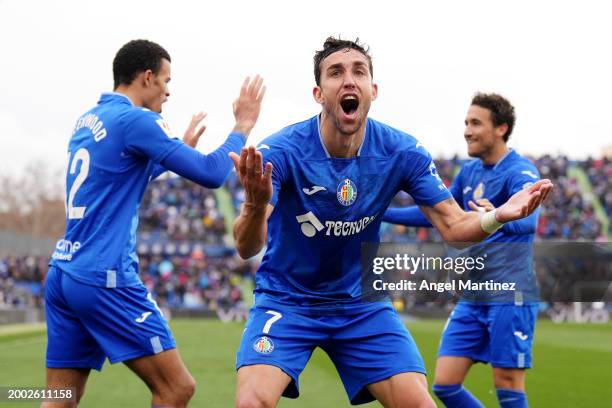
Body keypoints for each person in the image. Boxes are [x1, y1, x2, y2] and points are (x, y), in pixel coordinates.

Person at [230, 37, 552, 408]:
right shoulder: (280, 152)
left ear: (373, 90)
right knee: (251, 404)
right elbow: (246, 246)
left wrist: (497, 216)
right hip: (288, 300)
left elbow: (454, 228)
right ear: (319, 93)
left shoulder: (402, 151)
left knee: (422, 404)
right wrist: (255, 205)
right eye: (336, 73)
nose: (349, 80)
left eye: (359, 72)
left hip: (361, 304)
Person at [43, 39, 265, 408]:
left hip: (64, 272)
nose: (168, 90)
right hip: (105, 276)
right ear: (147, 77)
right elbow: (211, 172)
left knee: (60, 397)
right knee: (177, 388)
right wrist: (242, 125)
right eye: (165, 80)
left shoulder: (89, 120)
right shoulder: (137, 120)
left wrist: (172, 151)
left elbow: (119, 178)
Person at [383, 93, 540, 408]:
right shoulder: (469, 172)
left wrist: (497, 214)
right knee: (445, 384)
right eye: (466, 123)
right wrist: (381, 210)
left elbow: (529, 222)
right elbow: (439, 212)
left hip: (510, 292)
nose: (467, 130)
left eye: (475, 123)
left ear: (501, 128)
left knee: (507, 385)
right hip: (474, 294)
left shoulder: (520, 171)